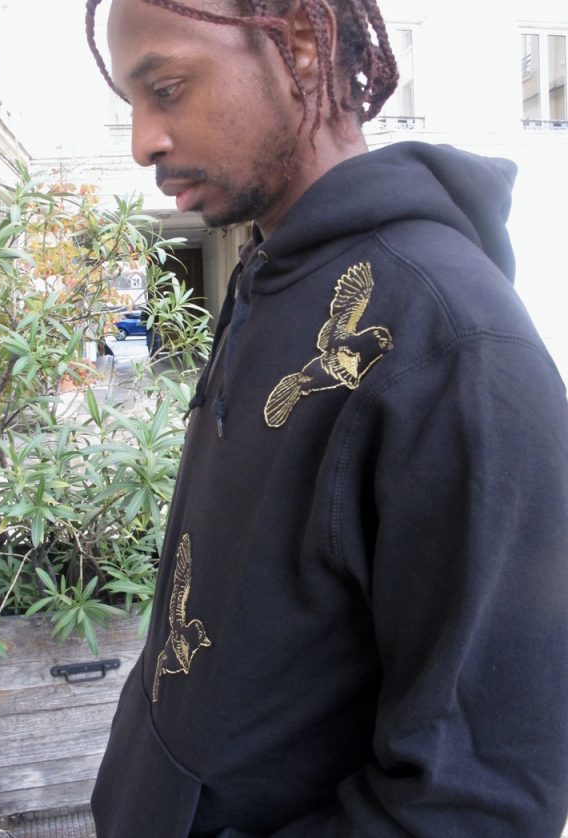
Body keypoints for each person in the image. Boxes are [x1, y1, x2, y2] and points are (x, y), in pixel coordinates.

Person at [85, 0, 568, 835]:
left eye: (166, 88)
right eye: (131, 103)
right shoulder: (274, 271)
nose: (142, 142)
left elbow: (478, 801)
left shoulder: (457, 347)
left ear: (303, 46)